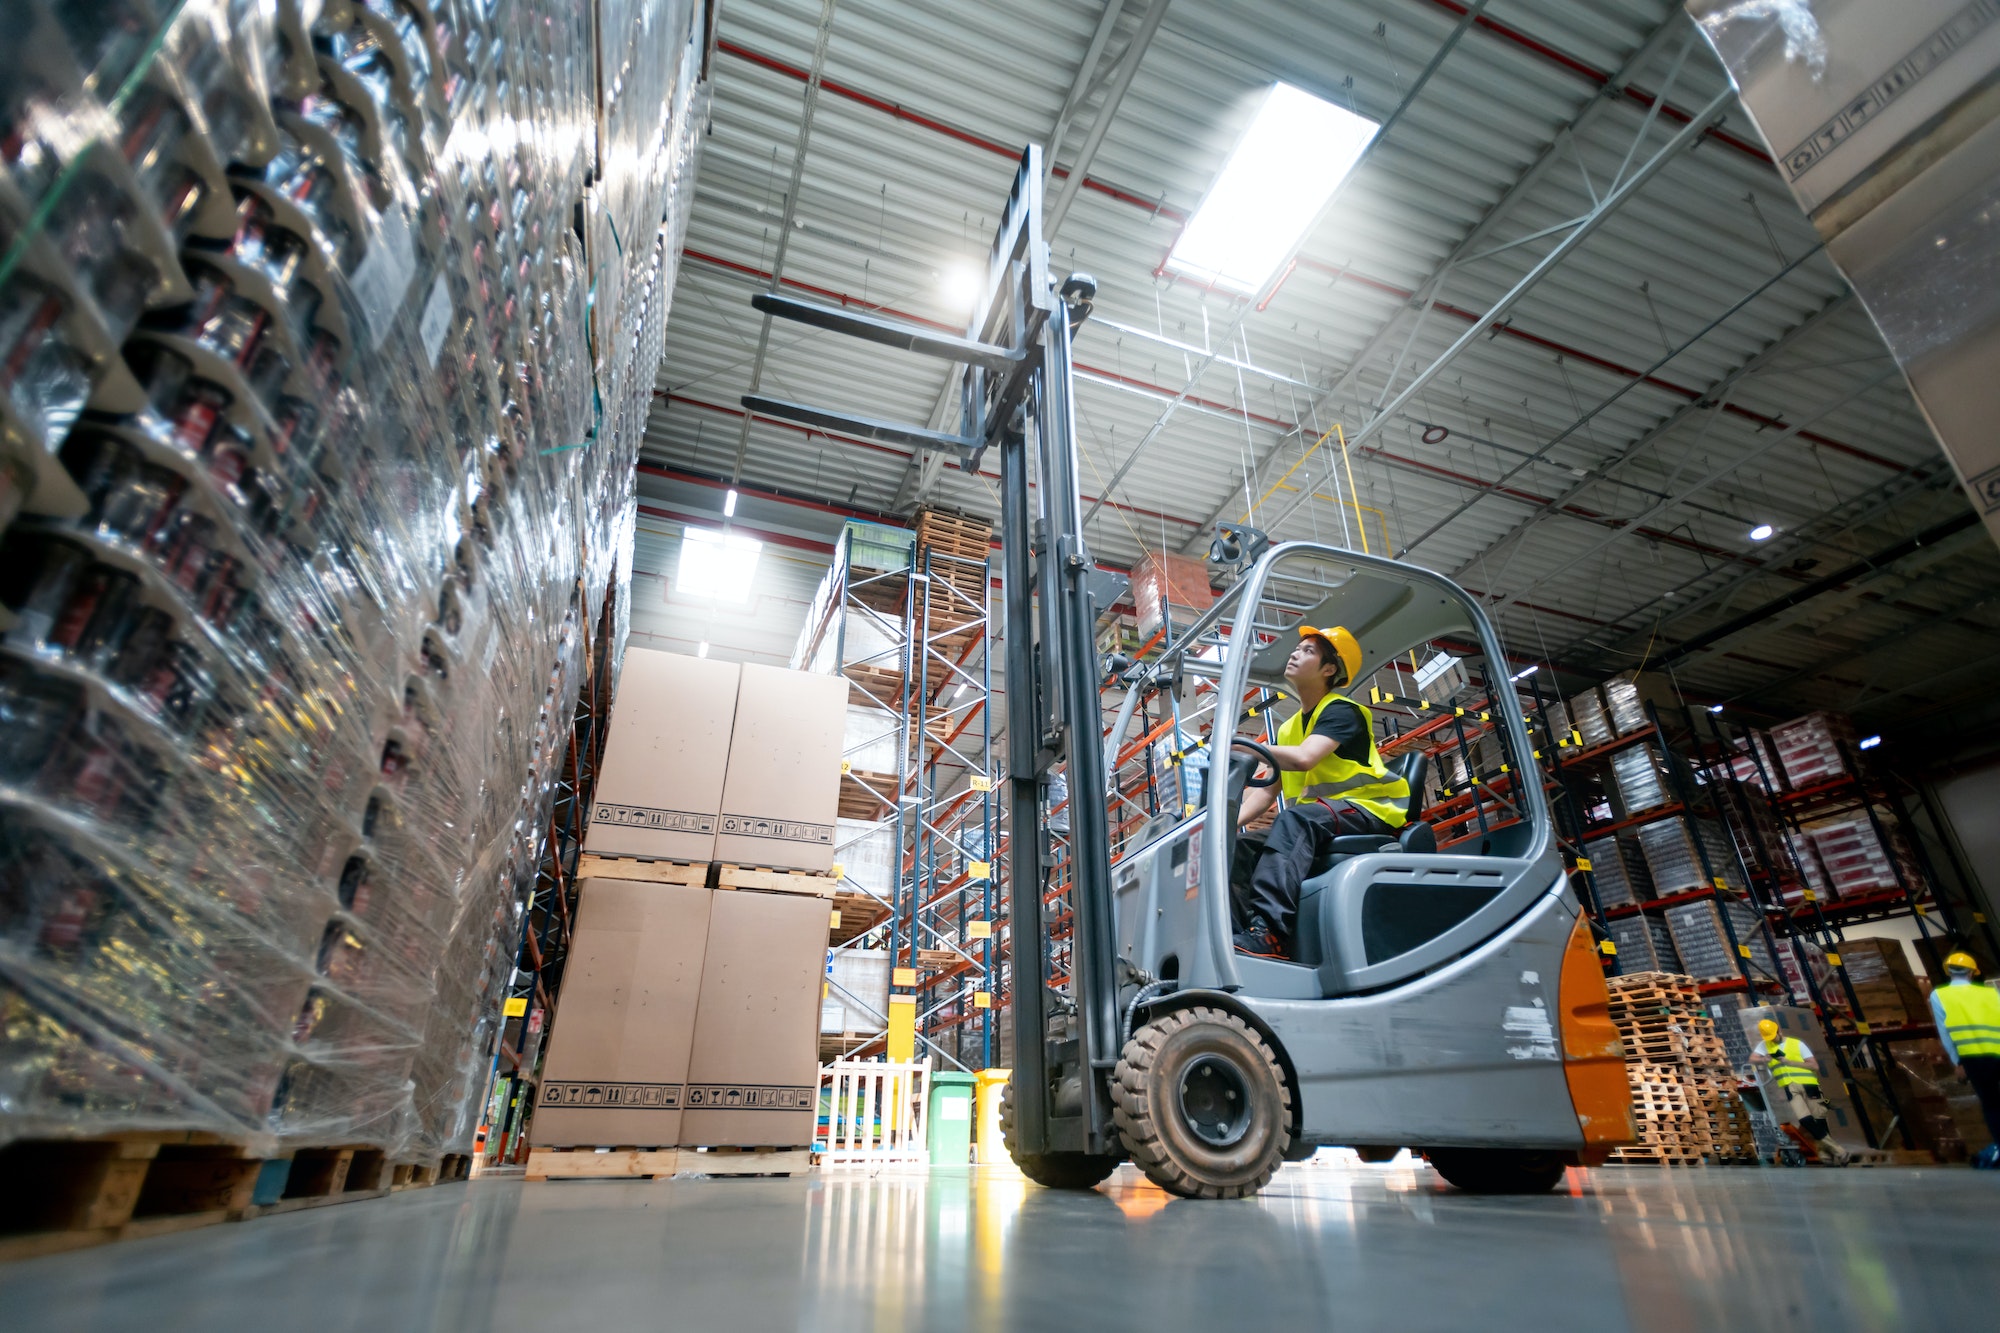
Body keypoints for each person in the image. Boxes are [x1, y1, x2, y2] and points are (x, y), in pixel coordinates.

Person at [1231, 625, 1410, 959]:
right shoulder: (1288, 728)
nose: (1296, 653)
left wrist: (1245, 748)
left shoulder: (1342, 710)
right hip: (1322, 818)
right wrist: (1224, 824)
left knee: (1294, 819)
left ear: (1330, 669)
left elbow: (1305, 758)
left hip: (1369, 809)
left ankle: (1269, 933)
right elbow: (1267, 793)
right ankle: (1241, 938)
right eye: (1296, 648)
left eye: (1308, 651)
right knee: (1237, 848)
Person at [1929, 950, 2000, 1169]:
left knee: (1992, 1104)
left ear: (1949, 972)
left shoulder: (1939, 996)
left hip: (1973, 1058)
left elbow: (1945, 1033)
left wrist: (1957, 1062)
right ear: (1971, 973)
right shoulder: (1990, 993)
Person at [1749, 1018, 1851, 1166]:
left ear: (1779, 1031)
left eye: (1773, 1036)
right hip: (1789, 1086)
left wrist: (1790, 1062)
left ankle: (1826, 1155)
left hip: (1809, 1085)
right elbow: (1753, 1058)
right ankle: (1839, 1151)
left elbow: (1814, 1066)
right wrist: (1764, 1059)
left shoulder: (1797, 1044)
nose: (1772, 1040)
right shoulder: (1766, 1045)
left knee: (1819, 1120)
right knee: (1805, 1120)